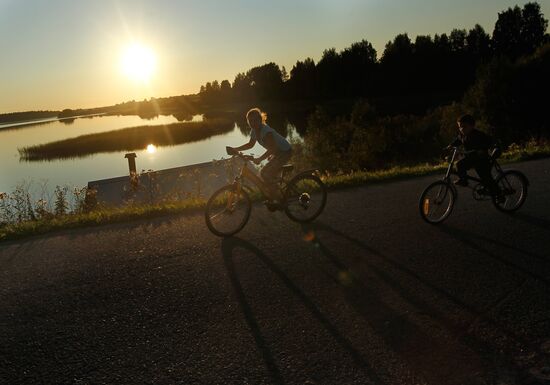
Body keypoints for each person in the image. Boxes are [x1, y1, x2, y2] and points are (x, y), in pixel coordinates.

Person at [228, 108, 292, 201]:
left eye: (255, 120)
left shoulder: (266, 131)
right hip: (277, 152)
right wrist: (235, 149)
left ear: (260, 119)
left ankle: (278, 197)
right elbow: (250, 144)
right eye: (250, 121)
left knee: (265, 174)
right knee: (265, 173)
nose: (252, 123)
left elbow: (272, 148)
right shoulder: (254, 131)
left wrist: (260, 159)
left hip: (284, 152)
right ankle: (274, 193)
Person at [449, 114, 503, 201]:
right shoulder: (463, 135)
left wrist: (482, 149)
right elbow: (458, 140)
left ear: (472, 126)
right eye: (460, 127)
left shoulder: (478, 135)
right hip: (472, 158)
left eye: (464, 126)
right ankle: (464, 180)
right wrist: (451, 145)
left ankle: (499, 193)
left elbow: (489, 142)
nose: (461, 129)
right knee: (460, 165)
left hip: (482, 159)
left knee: (486, 177)